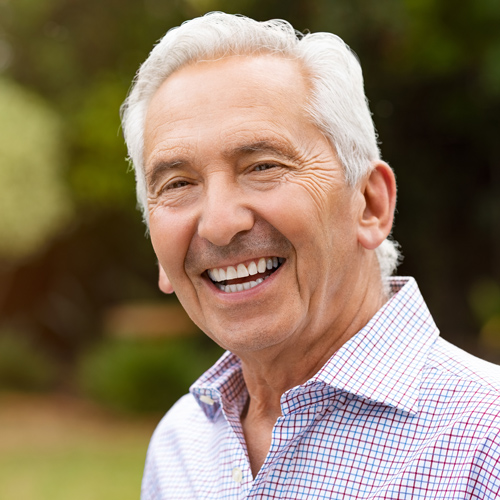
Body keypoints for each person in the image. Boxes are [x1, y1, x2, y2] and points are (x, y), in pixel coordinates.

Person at [121, 12, 500, 499]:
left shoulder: (486, 443)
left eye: (262, 165)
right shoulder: (182, 444)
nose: (218, 222)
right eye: (178, 184)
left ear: (369, 204)